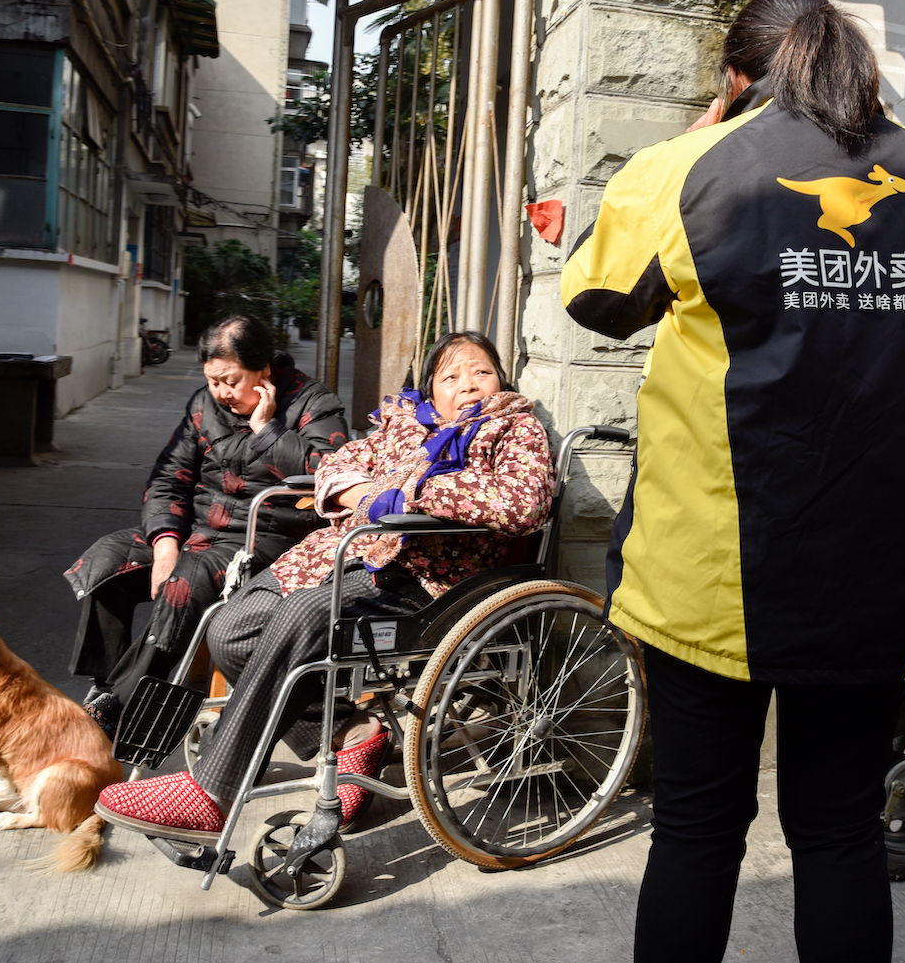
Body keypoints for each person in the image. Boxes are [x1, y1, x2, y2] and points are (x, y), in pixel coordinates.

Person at [560, 0, 905, 963]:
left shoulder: (686, 171)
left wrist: (693, 140)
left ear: (736, 80)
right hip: (876, 581)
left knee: (697, 832)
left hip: (708, 579)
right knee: (839, 835)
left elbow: (597, 296)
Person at [92, 331, 554, 836]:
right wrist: (363, 490)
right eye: (451, 376)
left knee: (307, 615)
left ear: (500, 379)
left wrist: (403, 494)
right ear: (431, 393)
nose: (467, 384)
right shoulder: (402, 425)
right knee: (229, 629)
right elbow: (335, 464)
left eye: (480, 371)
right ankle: (353, 733)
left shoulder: (513, 427)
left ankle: (211, 789)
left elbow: (522, 502)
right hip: (339, 558)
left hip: (430, 580)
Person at [63, 314, 349, 737]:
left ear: (264, 370)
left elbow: (332, 472)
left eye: (230, 381)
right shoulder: (204, 406)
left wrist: (267, 430)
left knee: (186, 580)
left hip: (262, 539)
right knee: (110, 562)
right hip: (195, 532)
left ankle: (120, 711)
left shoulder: (314, 403)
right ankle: (105, 687)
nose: (221, 393)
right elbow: (168, 477)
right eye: (213, 381)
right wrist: (164, 543)